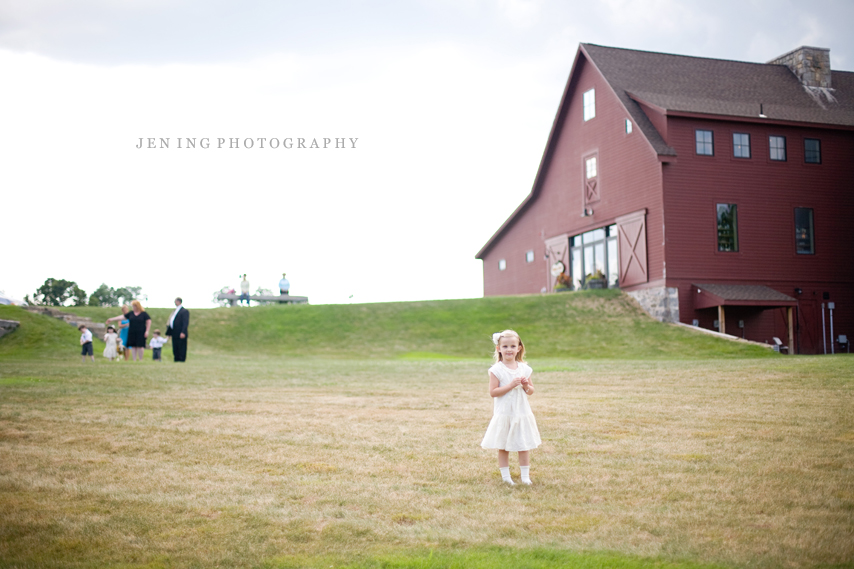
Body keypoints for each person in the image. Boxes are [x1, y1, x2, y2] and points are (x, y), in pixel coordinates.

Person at [481, 329, 541, 485]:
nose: (509, 349)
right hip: (505, 413)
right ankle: (506, 477)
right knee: (504, 446)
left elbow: (531, 391)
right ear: (498, 348)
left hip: (521, 412)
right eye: (505, 346)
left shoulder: (524, 369)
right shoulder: (496, 370)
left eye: (513, 346)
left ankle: (525, 476)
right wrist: (510, 385)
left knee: (524, 444)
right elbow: (493, 392)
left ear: (519, 348)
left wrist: (526, 385)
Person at [166, 297, 190, 362]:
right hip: (174, 331)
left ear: (178, 301)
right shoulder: (174, 311)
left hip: (180, 332)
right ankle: (176, 358)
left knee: (181, 346)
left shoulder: (184, 311)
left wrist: (183, 332)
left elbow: (185, 322)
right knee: (175, 345)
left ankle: (181, 359)